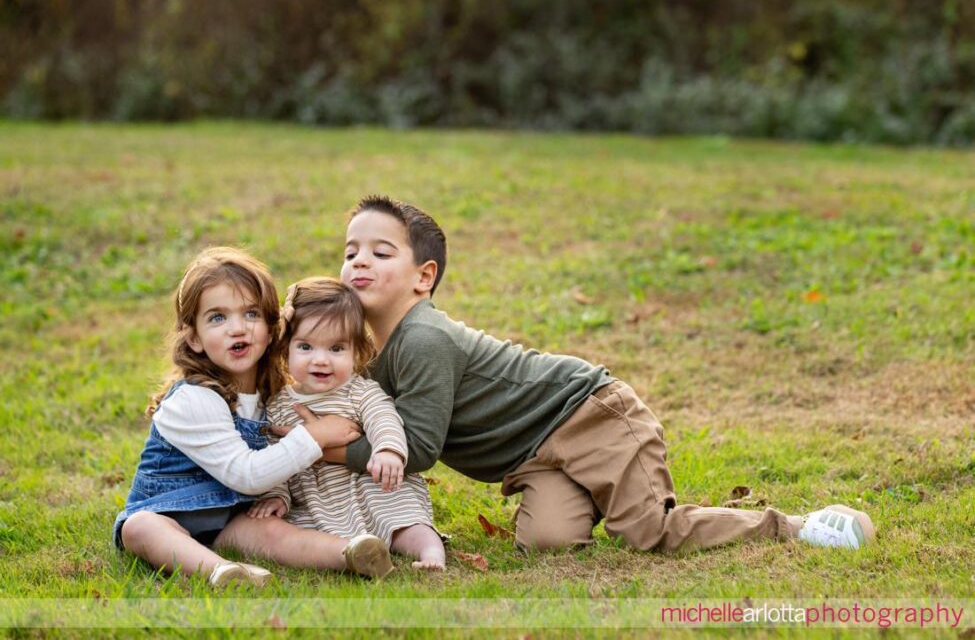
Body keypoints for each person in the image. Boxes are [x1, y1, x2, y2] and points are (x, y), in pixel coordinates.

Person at [300, 195, 876, 553]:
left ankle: (800, 527)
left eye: (380, 252)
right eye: (350, 251)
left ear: (423, 278)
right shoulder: (363, 347)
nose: (358, 262)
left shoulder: (424, 337)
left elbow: (418, 448)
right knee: (547, 544)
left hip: (588, 414)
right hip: (532, 455)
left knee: (649, 532)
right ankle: (594, 491)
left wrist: (319, 450)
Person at [113, 247, 394, 587]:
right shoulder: (193, 399)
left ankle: (352, 554)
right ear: (194, 338)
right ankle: (220, 571)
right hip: (168, 515)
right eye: (218, 317)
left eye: (250, 314)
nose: (237, 329)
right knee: (138, 527)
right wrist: (316, 436)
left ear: (272, 326)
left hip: (231, 519)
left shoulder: (272, 395)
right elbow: (246, 474)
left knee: (271, 531)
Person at [247, 277, 446, 572]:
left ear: (357, 351)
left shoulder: (360, 391)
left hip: (371, 485)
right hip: (317, 497)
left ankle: (430, 551)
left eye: (336, 348)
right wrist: (278, 494)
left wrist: (388, 451)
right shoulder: (277, 405)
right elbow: (276, 454)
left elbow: (384, 418)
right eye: (306, 347)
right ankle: (355, 554)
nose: (321, 360)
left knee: (402, 518)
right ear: (285, 349)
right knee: (303, 531)